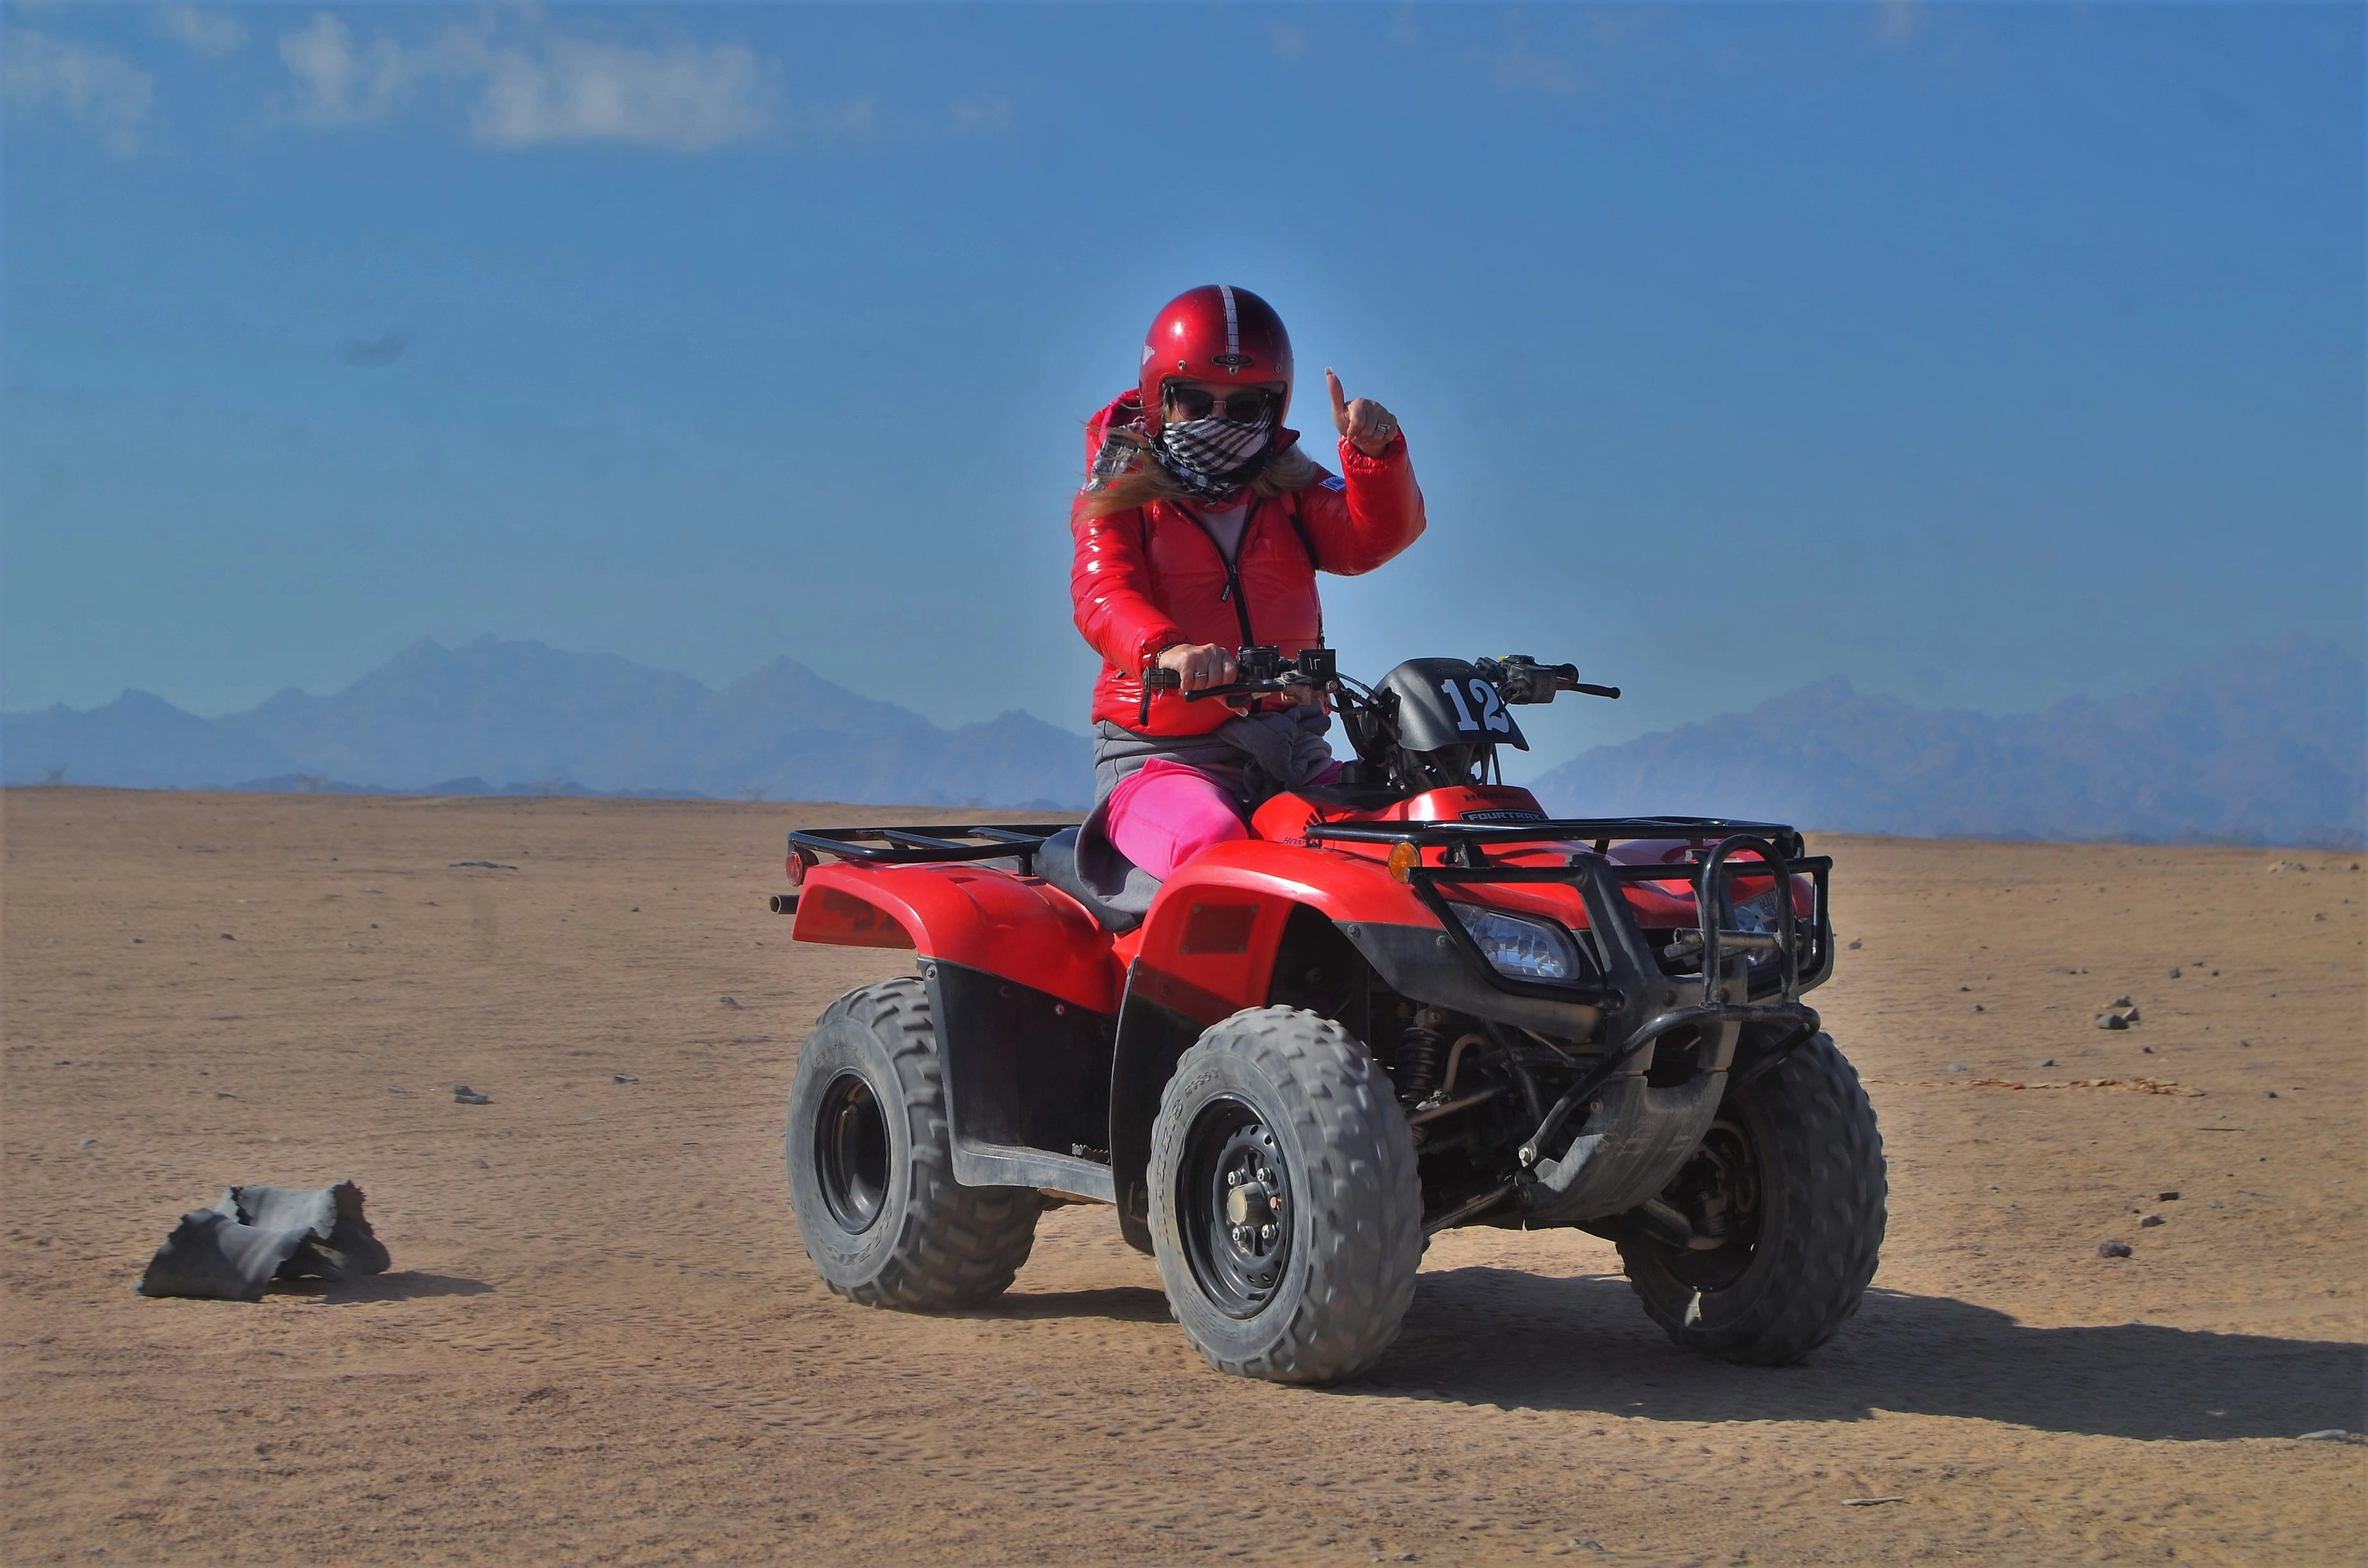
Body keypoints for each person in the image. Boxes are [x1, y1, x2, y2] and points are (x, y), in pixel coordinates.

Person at [1067, 284, 1426, 887]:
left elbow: (1371, 539)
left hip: (1293, 753)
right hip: (1164, 759)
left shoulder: (1292, 488)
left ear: (1274, 407)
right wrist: (1168, 650)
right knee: (1216, 846)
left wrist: (1376, 456)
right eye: (1195, 401)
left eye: (1241, 408)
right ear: (1160, 399)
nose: (1217, 422)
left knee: (1406, 841)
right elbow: (1101, 593)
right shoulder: (1119, 494)